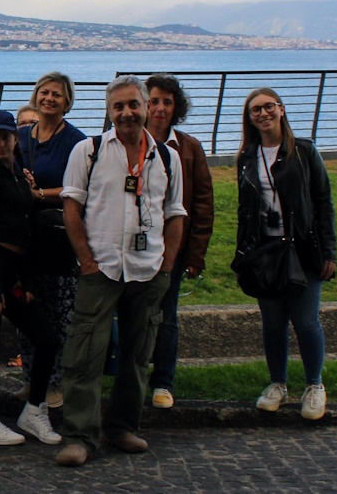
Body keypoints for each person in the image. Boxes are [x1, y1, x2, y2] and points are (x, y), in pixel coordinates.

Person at [55, 76, 186, 467]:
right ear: (109, 111)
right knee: (84, 355)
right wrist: (87, 261)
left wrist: (168, 264)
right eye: (118, 107)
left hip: (148, 270)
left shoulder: (167, 157)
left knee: (137, 353)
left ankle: (123, 427)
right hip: (102, 268)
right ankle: (80, 435)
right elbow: (71, 208)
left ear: (147, 107)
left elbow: (176, 213)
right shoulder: (89, 151)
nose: (126, 113)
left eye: (133, 105)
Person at [234, 87, 336, 420]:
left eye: (268, 107)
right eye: (255, 111)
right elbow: (245, 209)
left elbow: (323, 202)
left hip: (303, 249)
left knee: (306, 322)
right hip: (265, 250)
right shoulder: (248, 157)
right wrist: (243, 252)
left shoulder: (304, 152)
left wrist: (328, 251)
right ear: (249, 119)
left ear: (281, 109)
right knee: (273, 323)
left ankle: (315, 385)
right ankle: (277, 383)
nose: (262, 114)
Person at [0, 110, 62, 446]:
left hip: (14, 268)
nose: (0, 143)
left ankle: (34, 410)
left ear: (15, 137)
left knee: (46, 338)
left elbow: (27, 229)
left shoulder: (19, 173)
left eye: (5, 136)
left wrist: (27, 282)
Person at [18, 71, 88, 408]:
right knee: (27, 310)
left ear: (67, 102)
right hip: (23, 236)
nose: (49, 98)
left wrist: (39, 193)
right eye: (44, 92)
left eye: (56, 95)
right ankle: (31, 379)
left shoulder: (76, 141)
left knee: (59, 313)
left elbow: (81, 189)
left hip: (58, 237)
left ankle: (56, 383)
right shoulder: (20, 136)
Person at [144, 74, 214, 409]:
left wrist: (196, 255)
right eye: (154, 100)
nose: (159, 108)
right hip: (134, 247)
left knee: (167, 315)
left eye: (166, 102)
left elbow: (202, 204)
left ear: (176, 108)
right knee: (133, 314)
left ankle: (163, 382)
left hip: (174, 249)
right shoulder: (128, 141)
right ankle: (133, 374)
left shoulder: (189, 147)